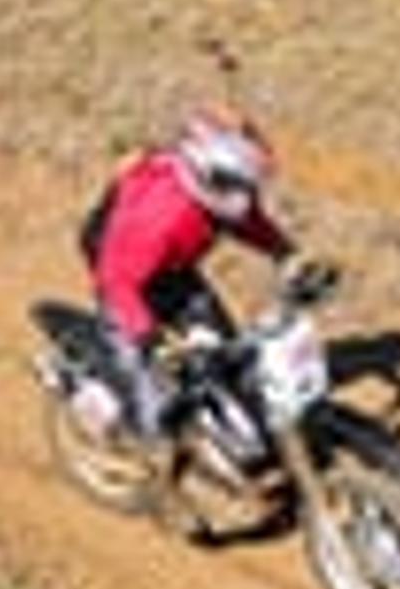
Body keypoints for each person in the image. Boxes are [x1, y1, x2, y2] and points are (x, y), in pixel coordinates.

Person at [82, 101, 302, 444]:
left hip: (174, 270)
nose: (244, 196)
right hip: (125, 276)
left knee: (228, 356)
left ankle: (235, 432)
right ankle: (134, 428)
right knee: (150, 400)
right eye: (236, 185)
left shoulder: (220, 193)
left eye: (247, 185)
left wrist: (282, 250)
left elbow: (244, 221)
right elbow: (117, 281)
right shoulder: (161, 219)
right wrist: (148, 338)